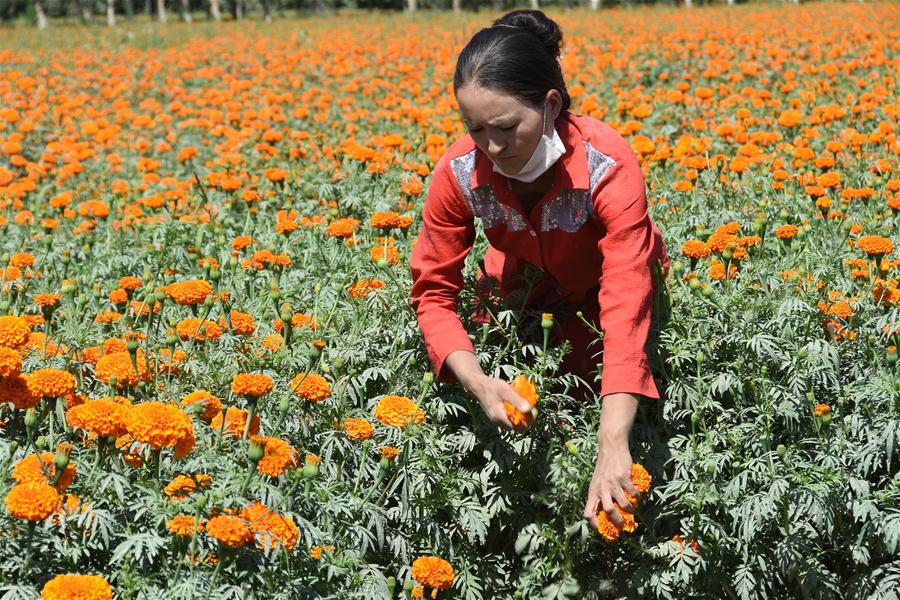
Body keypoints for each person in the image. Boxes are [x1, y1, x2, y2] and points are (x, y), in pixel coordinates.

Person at [408, 9, 670, 535]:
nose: (493, 148)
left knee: (612, 420)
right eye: (475, 129)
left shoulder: (606, 165)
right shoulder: (460, 171)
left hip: (603, 304)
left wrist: (612, 440)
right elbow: (434, 293)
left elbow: (625, 298)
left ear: (551, 106)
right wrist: (478, 381)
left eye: (506, 127)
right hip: (518, 295)